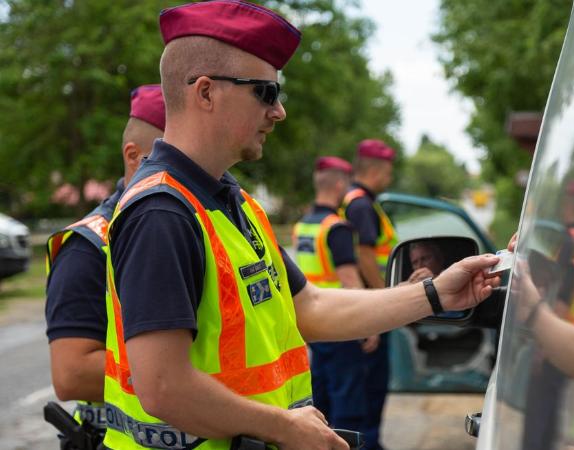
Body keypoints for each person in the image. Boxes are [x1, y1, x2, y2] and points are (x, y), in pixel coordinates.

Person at [101, 3, 501, 450]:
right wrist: (286, 427)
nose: (280, 112)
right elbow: (163, 386)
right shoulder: (163, 213)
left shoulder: (232, 202)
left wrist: (434, 295)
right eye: (267, 93)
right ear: (206, 92)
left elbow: (308, 307)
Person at [44, 85, 165, 444]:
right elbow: (71, 374)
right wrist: (181, 370)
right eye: (172, 157)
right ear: (133, 156)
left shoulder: (201, 222)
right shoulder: (88, 247)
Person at [292, 156, 379, 439]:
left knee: (322, 396)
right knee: (349, 398)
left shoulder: (303, 226)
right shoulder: (336, 228)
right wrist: (369, 323)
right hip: (340, 324)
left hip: (311, 325)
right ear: (340, 183)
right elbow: (350, 280)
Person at [341, 138, 398, 449]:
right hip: (369, 308)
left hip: (352, 306)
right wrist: (385, 301)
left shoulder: (350, 200)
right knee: (369, 390)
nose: (389, 177)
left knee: (347, 392)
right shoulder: (363, 205)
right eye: (388, 171)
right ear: (376, 170)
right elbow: (365, 256)